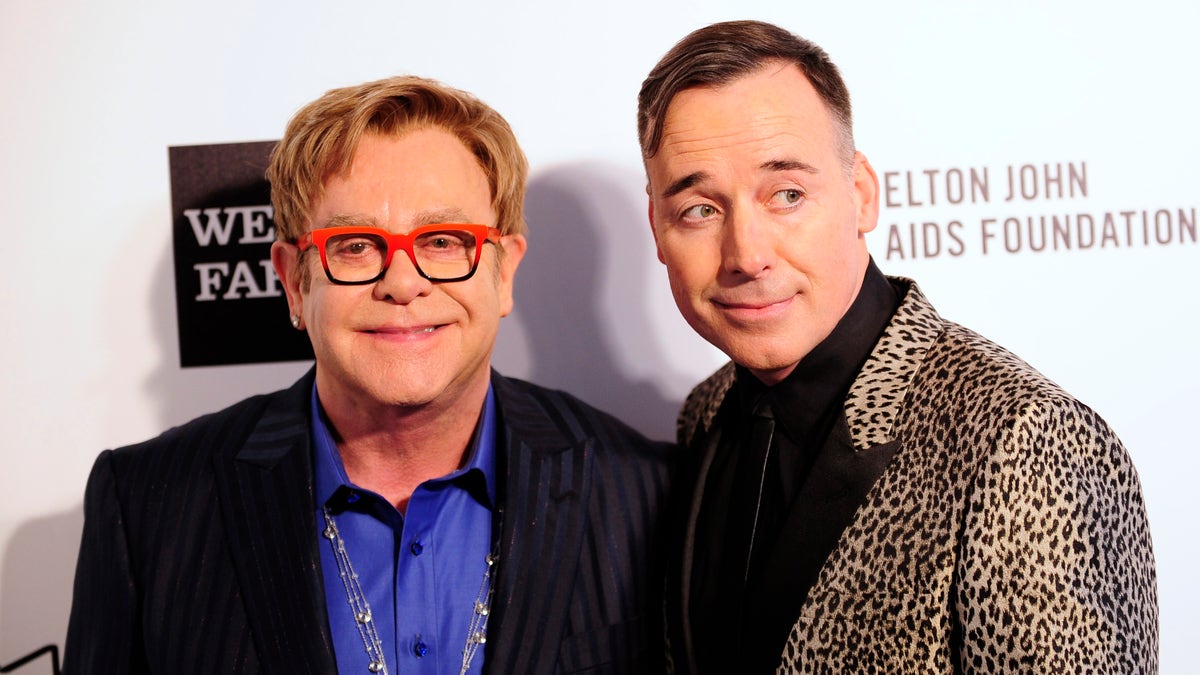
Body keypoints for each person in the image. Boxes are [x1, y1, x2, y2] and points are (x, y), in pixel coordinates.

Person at [65, 75, 675, 674]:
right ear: (294, 282)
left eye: (443, 240)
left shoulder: (646, 492)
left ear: (504, 272)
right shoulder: (146, 505)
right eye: (355, 246)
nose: (403, 283)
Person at [637, 20, 1157, 674]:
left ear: (860, 195)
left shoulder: (1027, 438)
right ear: (657, 228)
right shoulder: (704, 415)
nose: (747, 254)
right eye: (700, 210)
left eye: (787, 194)